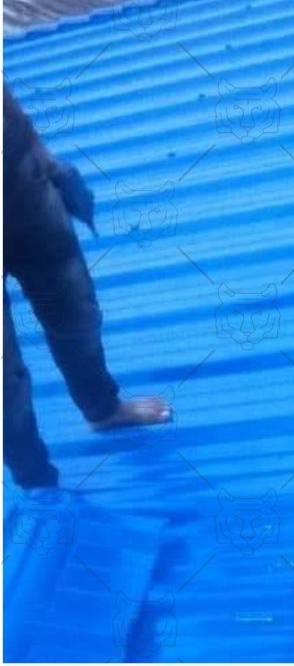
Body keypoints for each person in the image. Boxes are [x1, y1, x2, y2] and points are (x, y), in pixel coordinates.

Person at [4, 83, 171, 489]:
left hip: (21, 186)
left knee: (76, 311)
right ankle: (35, 479)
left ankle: (103, 409)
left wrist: (38, 151)